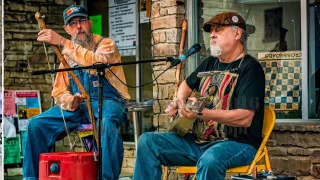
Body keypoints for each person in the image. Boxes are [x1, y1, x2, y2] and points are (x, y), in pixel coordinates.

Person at [133, 12, 265, 180]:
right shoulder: (210, 63)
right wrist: (179, 102)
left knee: (210, 159)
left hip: (237, 144)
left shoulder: (250, 68)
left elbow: (244, 118)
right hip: (197, 142)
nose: (212, 35)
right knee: (147, 142)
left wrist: (201, 113)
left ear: (237, 34)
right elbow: (186, 85)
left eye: (218, 30)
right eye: (211, 31)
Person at [23, 5, 130, 180]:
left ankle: (107, 178)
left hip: (108, 100)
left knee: (107, 122)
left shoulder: (106, 44)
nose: (78, 26)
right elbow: (58, 92)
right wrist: (70, 101)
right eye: (72, 23)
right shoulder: (66, 56)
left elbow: (97, 63)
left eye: (81, 21)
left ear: (89, 23)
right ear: (67, 29)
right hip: (78, 107)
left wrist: (63, 42)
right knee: (36, 124)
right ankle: (31, 177)